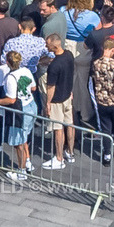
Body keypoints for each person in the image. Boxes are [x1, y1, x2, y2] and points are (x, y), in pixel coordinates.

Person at [0, 50, 37, 181]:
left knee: (18, 142)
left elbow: (11, 99)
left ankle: (21, 171)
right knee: (24, 137)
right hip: (31, 106)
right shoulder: (26, 71)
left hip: (19, 111)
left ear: (8, 62)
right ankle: (28, 162)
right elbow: (33, 88)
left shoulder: (10, 78)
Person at [42, 33, 76, 170]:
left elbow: (51, 87)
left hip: (57, 100)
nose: (46, 46)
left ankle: (59, 158)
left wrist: (48, 103)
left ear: (54, 46)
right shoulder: (69, 55)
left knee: (58, 129)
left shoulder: (54, 66)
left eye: (48, 44)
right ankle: (70, 152)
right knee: (70, 124)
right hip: (68, 95)